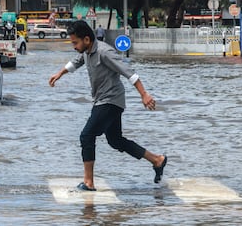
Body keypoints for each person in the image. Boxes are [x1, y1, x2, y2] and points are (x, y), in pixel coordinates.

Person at [49, 20, 167, 191]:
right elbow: (76, 61)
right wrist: (60, 73)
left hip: (110, 101)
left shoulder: (105, 52)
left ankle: (88, 182)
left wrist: (144, 94)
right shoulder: (86, 51)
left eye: (75, 42)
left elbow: (129, 73)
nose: (73, 46)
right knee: (115, 141)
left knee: (86, 135)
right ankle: (157, 160)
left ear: (87, 40)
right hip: (104, 101)